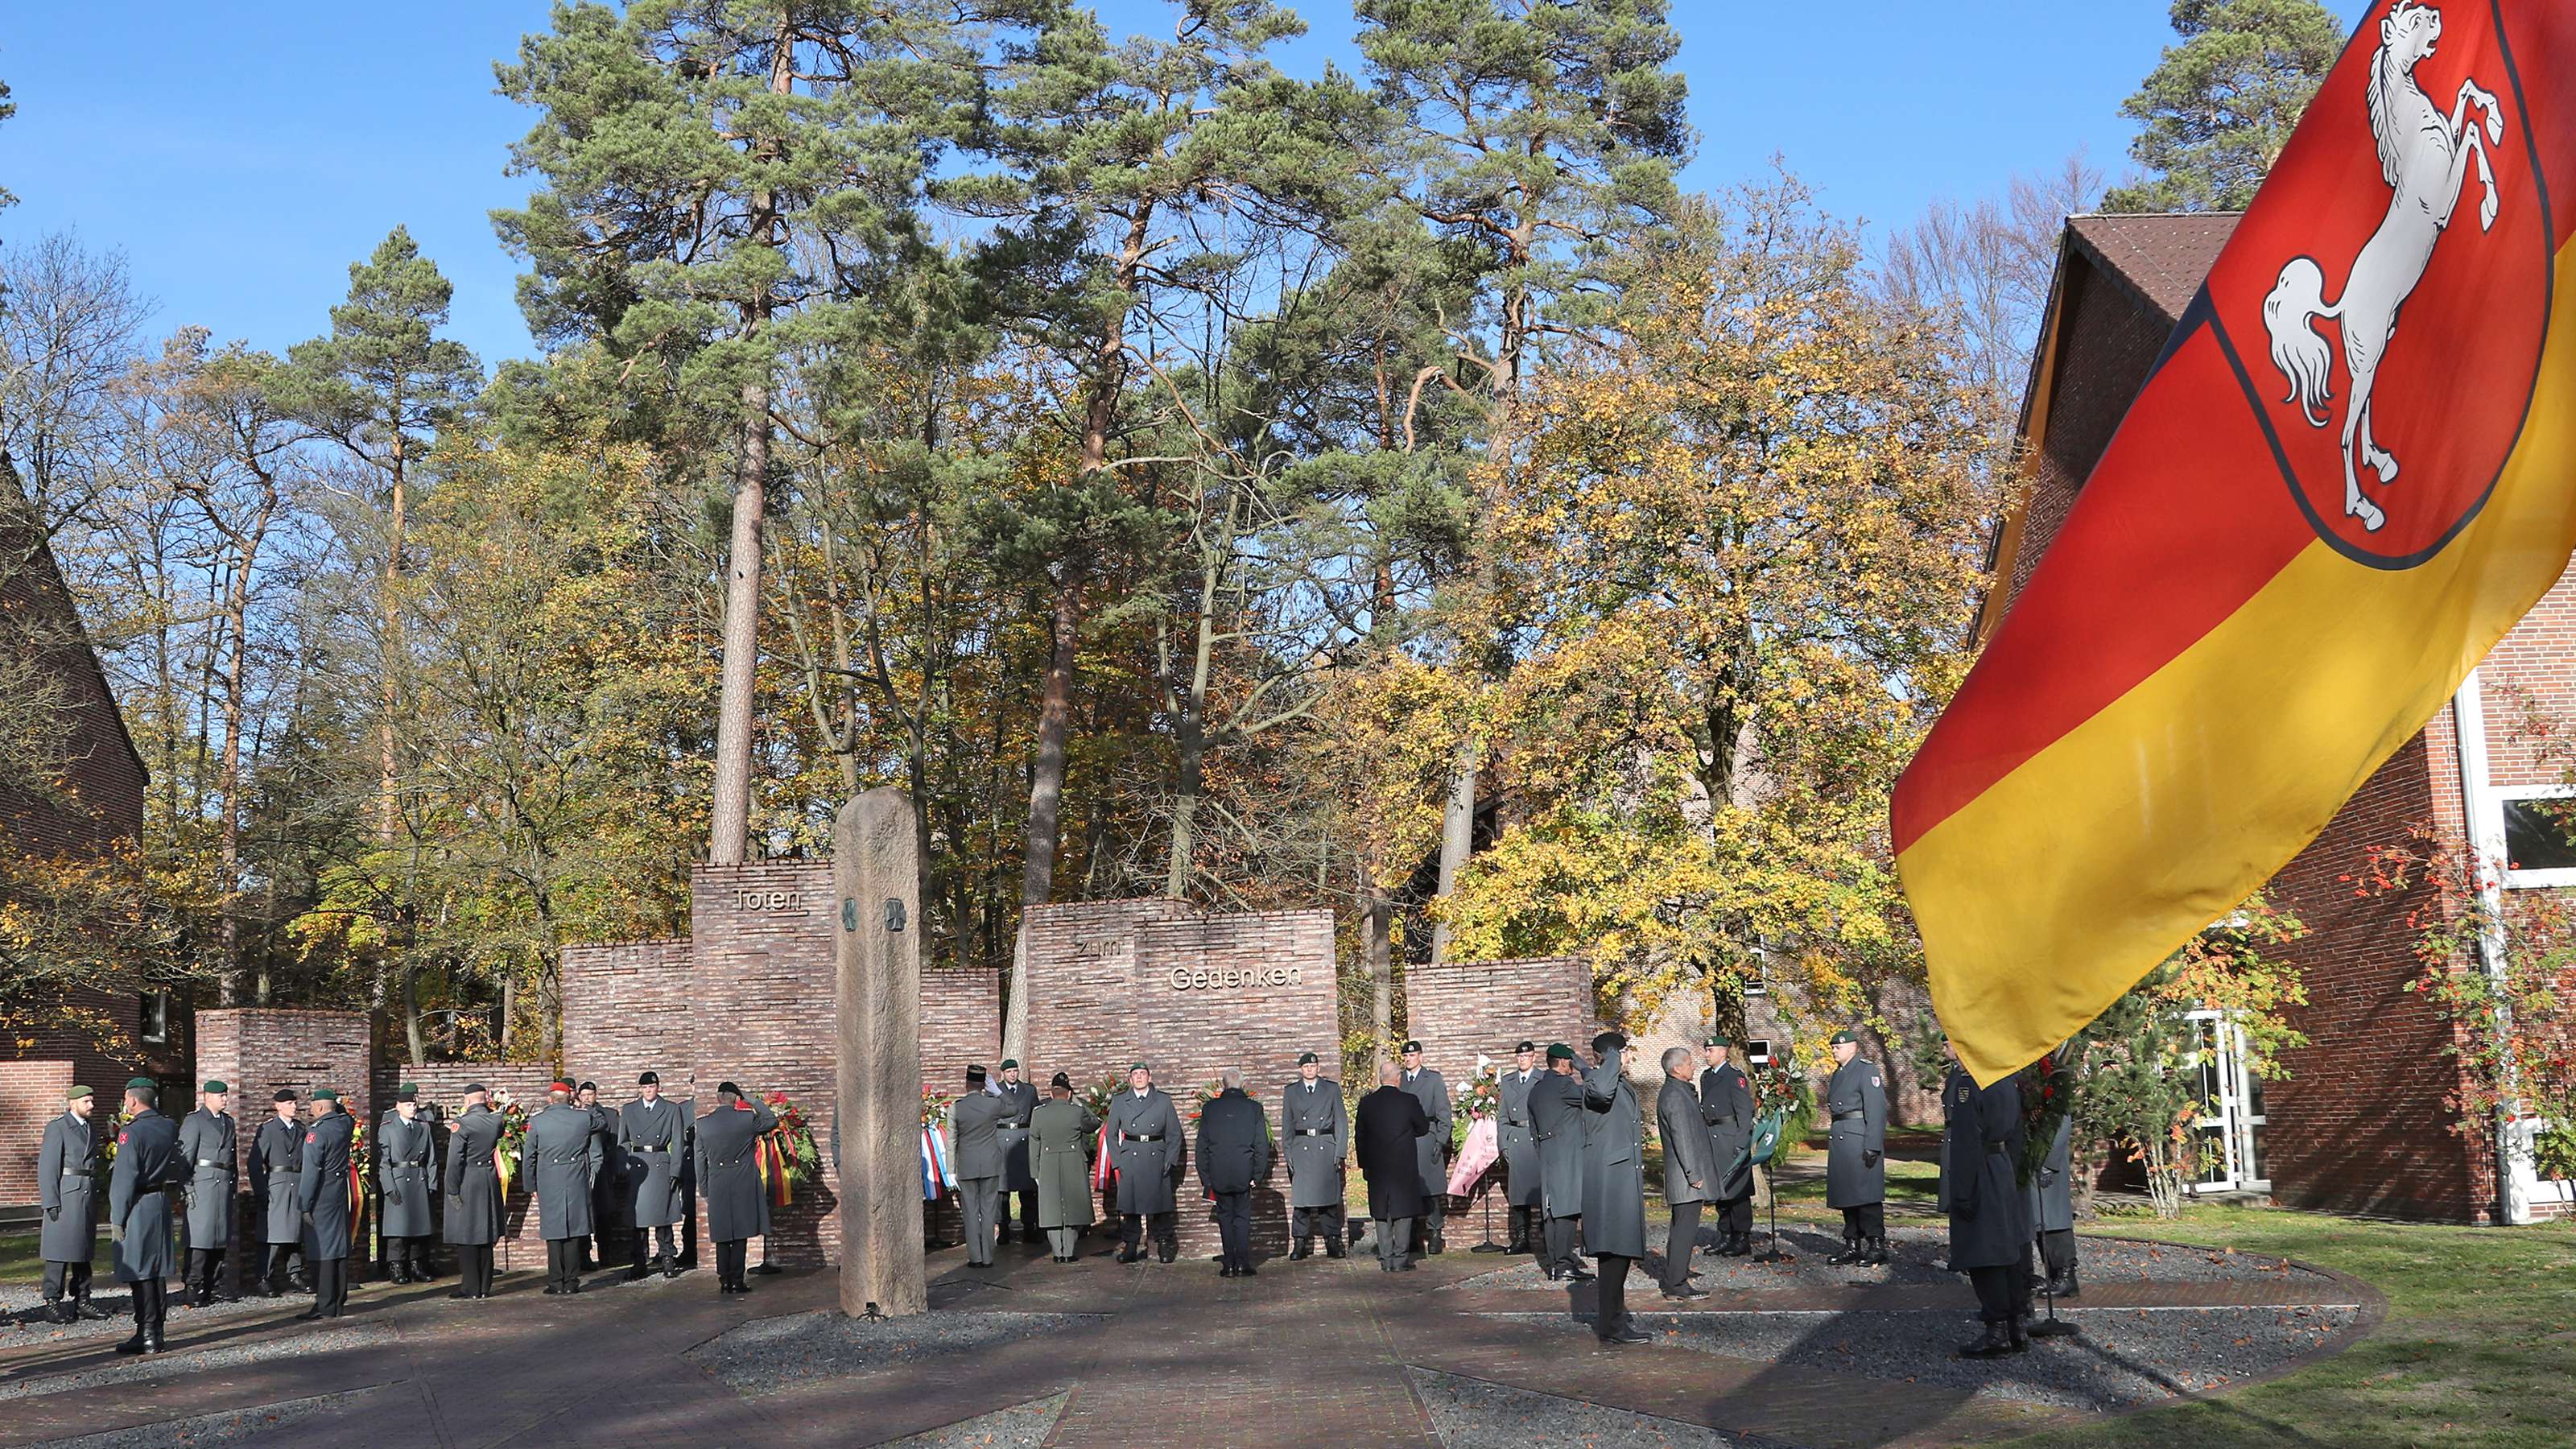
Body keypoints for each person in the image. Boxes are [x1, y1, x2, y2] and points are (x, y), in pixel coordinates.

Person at [1941, 1049, 2032, 1358]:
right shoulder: (2007, 1081)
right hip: (2002, 1167)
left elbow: (1966, 1144)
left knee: (1984, 1253)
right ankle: (2016, 1323)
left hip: (1981, 1171)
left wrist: (1962, 1192)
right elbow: (2018, 1134)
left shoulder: (1970, 1086)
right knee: (2009, 1251)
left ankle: (1997, 1331)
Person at [1582, 1033, 1649, 1344]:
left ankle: (1613, 1322)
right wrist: (1612, 1058)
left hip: (1621, 1177)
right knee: (1614, 1253)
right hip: (1611, 1182)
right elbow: (1601, 1092)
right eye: (1625, 1052)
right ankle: (1611, 1325)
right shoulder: (1599, 1083)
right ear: (1612, 1055)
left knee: (1618, 1254)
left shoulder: (1611, 1082)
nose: (1629, 1057)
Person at [109, 1078, 183, 1354]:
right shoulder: (168, 1125)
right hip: (159, 1200)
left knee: (140, 1271)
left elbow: (124, 1179)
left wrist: (117, 1217)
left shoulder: (132, 1133)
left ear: (133, 1100)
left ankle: (146, 1333)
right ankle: (158, 1332)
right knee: (156, 1271)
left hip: (139, 1203)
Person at [694, 1081, 777, 1294]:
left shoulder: (703, 1124)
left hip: (718, 1180)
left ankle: (724, 1279)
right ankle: (737, 1280)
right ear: (736, 1099)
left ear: (718, 1098)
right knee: (740, 1231)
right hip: (743, 1179)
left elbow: (699, 1159)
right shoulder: (746, 1118)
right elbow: (771, 1120)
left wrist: (704, 1188)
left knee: (722, 1233)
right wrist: (752, 1100)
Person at [37, 1084, 108, 1323]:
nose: (91, 1105)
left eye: (91, 1100)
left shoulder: (90, 1128)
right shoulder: (58, 1128)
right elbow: (47, 1167)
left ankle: (83, 1299)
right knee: (58, 1251)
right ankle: (53, 1302)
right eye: (87, 1101)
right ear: (73, 1103)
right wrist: (50, 1200)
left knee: (83, 1250)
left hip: (85, 1195)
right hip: (66, 1195)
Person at [1195, 1067, 1272, 1278]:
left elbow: (1201, 1146)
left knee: (1225, 1218)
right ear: (1242, 1085)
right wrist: (1257, 1175)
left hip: (1218, 1172)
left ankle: (1228, 1263)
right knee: (1242, 1218)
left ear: (1224, 1085)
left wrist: (1206, 1178)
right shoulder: (1254, 1109)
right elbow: (1261, 1145)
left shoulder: (1210, 1109)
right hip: (1243, 1172)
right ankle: (1243, 1263)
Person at [1105, 1063, 1186, 1264]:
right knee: (1130, 1206)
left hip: (1156, 1155)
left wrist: (1170, 1159)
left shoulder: (1163, 1100)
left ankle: (1164, 1244)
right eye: (1135, 1074)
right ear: (1130, 1079)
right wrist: (1117, 1161)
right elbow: (1111, 1134)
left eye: (1143, 1074)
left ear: (1150, 1077)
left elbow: (1174, 1134)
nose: (1139, 1077)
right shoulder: (1120, 1101)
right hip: (1130, 1156)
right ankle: (1131, 1245)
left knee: (1160, 1205)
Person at [525, 1081, 600, 1295]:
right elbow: (601, 1122)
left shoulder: (537, 1121)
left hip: (549, 1178)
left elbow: (529, 1156)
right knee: (575, 1230)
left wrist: (531, 1184)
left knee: (554, 1231)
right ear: (570, 1098)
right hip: (576, 1177)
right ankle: (572, 1282)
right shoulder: (583, 1117)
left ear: (550, 1099)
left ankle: (556, 1281)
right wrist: (582, 1106)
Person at [1654, 1046, 1717, 1300]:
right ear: (1677, 1068)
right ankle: (1676, 1284)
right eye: (1689, 1063)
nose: (1694, 1066)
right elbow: (1683, 1138)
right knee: (1683, 1231)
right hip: (1686, 1177)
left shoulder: (1679, 1092)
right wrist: (1693, 1174)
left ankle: (1675, 1279)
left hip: (1686, 1176)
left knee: (1682, 1229)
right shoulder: (1675, 1096)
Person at [1355, 1063, 1430, 1272]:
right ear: (1398, 1078)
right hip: (1402, 1164)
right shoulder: (1409, 1101)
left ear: (1381, 1078)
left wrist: (1364, 1164)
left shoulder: (1367, 1103)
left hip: (1377, 1166)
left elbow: (1359, 1137)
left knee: (1381, 1211)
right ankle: (1400, 1259)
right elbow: (1423, 1127)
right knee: (1403, 1211)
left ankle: (1386, 1258)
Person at [1823, 1029, 1889, 1266]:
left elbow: (1877, 1110)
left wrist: (1873, 1145)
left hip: (1859, 1138)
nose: (1834, 1051)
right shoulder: (1838, 1074)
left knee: (1866, 1195)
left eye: (1838, 1047)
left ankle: (1876, 1244)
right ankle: (1852, 1243)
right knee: (1847, 1195)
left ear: (1853, 1047)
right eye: (1833, 1047)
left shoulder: (1865, 1070)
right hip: (1842, 1138)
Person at [1525, 1045, 1591, 1282]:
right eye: (1571, 1062)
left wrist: (1544, 1153)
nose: (1572, 1066)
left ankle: (1555, 1263)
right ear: (1563, 1062)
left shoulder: (1536, 1089)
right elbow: (1594, 1093)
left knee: (1551, 1210)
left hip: (1547, 1152)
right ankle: (1563, 1264)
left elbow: (1533, 1130)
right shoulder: (1564, 1085)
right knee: (1567, 1208)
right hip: (1568, 1152)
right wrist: (1586, 1068)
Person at [619, 1071, 691, 1280]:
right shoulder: (629, 1110)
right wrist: (624, 1167)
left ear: (658, 1087)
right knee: (638, 1219)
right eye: (645, 1087)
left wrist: (675, 1169)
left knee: (663, 1216)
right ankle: (639, 1261)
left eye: (652, 1087)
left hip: (660, 1162)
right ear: (640, 1089)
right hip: (639, 1165)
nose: (648, 1091)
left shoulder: (671, 1109)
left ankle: (667, 1257)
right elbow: (623, 1142)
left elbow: (678, 1141)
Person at [1281, 1051, 1348, 1260]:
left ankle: (1333, 1241)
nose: (1310, 1070)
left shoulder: (1331, 1089)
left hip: (1325, 1145)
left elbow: (1342, 1123)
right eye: (1306, 1067)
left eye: (1313, 1066)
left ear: (1318, 1068)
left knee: (1328, 1199)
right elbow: (1287, 1126)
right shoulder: (1291, 1092)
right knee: (1301, 1202)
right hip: (1301, 1148)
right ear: (1301, 1069)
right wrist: (1288, 1154)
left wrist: (1340, 1152)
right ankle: (1300, 1243)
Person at [175, 1080, 237, 1307]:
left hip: (222, 1185)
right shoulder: (195, 1121)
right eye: (220, 1095)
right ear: (207, 1096)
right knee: (200, 1239)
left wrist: (233, 1185)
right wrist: (187, 1188)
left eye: (225, 1095)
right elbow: (184, 1159)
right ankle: (194, 1285)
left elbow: (232, 1160)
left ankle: (213, 1285)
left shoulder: (228, 1122)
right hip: (202, 1185)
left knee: (220, 1239)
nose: (224, 1099)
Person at [297, 1088, 357, 1320]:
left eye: (313, 1105)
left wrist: (304, 1203)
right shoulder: (344, 1125)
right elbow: (342, 1113)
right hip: (340, 1192)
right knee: (339, 1247)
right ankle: (338, 1301)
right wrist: (337, 1103)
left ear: (320, 1107)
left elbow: (311, 1172)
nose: (310, 1110)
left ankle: (324, 1304)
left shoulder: (317, 1133)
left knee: (321, 1248)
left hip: (321, 1196)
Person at [442, 1084, 506, 1299]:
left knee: (467, 1233)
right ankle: (485, 1287)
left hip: (468, 1178)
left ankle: (471, 1287)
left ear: (468, 1100)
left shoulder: (462, 1123)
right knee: (486, 1233)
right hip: (488, 1177)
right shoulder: (497, 1121)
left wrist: (451, 1188)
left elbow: (454, 1160)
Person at [1699, 1036, 1757, 1258]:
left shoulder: (1734, 1077)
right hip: (1713, 1137)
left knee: (1738, 1190)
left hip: (1731, 1136)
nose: (1707, 1054)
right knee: (1720, 1191)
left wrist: (1742, 1143)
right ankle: (1725, 1235)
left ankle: (1741, 1237)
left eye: (1711, 1050)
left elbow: (1745, 1112)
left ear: (1723, 1052)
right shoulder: (1706, 1077)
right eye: (1706, 1050)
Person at [377, 1083, 440, 1285]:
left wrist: (432, 1183)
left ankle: (416, 1265)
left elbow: (431, 1158)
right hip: (399, 1179)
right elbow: (383, 1161)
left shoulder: (423, 1127)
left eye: (414, 1104)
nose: (412, 1107)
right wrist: (388, 1187)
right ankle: (396, 1266)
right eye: (408, 1105)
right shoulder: (388, 1129)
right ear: (398, 1107)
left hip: (418, 1178)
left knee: (418, 1228)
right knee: (398, 1229)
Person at [1030, 1071, 1097, 1261]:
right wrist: (1078, 1103)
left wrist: (1034, 1171)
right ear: (1068, 1094)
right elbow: (1094, 1124)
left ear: (1051, 1094)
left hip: (1048, 1163)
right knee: (1072, 1209)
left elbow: (1033, 1143)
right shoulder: (1076, 1112)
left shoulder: (1039, 1113)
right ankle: (1069, 1252)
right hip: (1073, 1162)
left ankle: (1057, 1253)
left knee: (1051, 1209)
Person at [1397, 1041, 1452, 1254]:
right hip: (1404, 1139)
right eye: (1405, 1056)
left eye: (1412, 1055)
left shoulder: (1433, 1079)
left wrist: (1440, 1140)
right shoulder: (1399, 1080)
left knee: (1430, 1191)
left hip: (1426, 1136)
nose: (1408, 1059)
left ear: (1420, 1056)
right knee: (1406, 1190)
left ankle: (1435, 1232)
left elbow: (1444, 1114)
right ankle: (1409, 1236)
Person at [250, 1088, 306, 1296]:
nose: (294, 1106)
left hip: (297, 1182)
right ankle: (264, 1276)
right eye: (289, 1103)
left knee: (295, 1234)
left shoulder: (301, 1129)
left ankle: (295, 1274)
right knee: (272, 1235)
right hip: (276, 1184)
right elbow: (255, 1163)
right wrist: (261, 1191)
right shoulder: (269, 1129)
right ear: (278, 1106)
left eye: (294, 1102)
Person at [952, 1065, 1005, 1267]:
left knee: (971, 1212)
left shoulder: (956, 1107)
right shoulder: (992, 1105)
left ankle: (975, 1257)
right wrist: (998, 1092)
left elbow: (952, 1141)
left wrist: (951, 1168)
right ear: (984, 1084)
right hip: (990, 1164)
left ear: (966, 1084)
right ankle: (989, 1256)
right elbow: (1014, 1108)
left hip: (966, 1165)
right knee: (989, 1210)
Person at [1496, 1042, 1542, 1256]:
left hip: (1536, 1139)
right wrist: (1504, 1143)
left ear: (1534, 1057)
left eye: (1527, 1056)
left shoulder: (1542, 1079)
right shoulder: (1508, 1082)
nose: (1523, 1059)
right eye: (1520, 1057)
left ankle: (1546, 1235)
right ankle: (1521, 1237)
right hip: (1516, 1138)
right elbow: (1502, 1116)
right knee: (1519, 1195)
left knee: (1542, 1191)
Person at [2029, 1108, 2080, 1299]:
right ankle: (2055, 1275)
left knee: (2054, 1218)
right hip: (2032, 1160)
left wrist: (2048, 1163)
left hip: (2048, 1162)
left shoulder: (2052, 1085)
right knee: (2040, 1219)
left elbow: (2061, 1122)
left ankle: (2066, 1276)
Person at [993, 1059, 1040, 1246]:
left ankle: (1030, 1228)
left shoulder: (1029, 1090)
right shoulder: (994, 1091)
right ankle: (1003, 1229)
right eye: (1009, 1071)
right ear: (1003, 1073)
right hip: (1001, 1138)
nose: (1013, 1074)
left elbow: (1035, 1113)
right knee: (1002, 1190)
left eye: (1015, 1070)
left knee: (1027, 1189)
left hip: (1024, 1138)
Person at [576, 1080, 620, 1271]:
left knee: (604, 1214)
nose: (587, 1098)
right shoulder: (575, 1115)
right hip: (581, 1170)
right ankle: (584, 1256)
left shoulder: (609, 1115)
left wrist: (615, 1170)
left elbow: (616, 1141)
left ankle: (606, 1254)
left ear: (596, 1095)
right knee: (584, 1214)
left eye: (590, 1095)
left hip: (604, 1170)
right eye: (583, 1095)